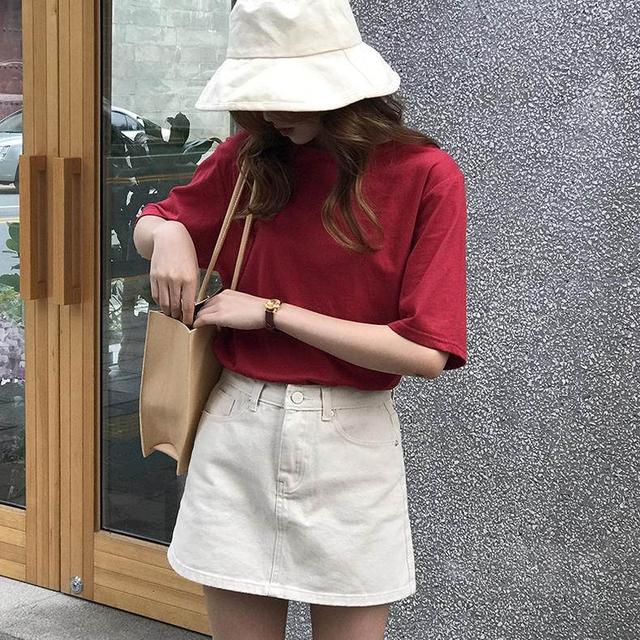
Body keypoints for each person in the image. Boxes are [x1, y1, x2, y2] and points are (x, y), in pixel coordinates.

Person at [133, 1, 468, 638]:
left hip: (350, 443)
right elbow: (155, 221)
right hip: (238, 429)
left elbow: (426, 351)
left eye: (283, 92)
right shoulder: (250, 158)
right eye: (255, 94)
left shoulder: (424, 176)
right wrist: (168, 233)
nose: (268, 112)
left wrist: (274, 314)